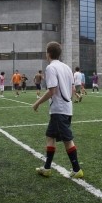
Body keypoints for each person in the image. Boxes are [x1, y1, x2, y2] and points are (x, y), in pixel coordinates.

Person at [32, 41, 83, 179]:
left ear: (48, 53)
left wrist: (37, 103)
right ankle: (47, 168)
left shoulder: (50, 68)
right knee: (50, 136)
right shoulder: (66, 67)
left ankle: (77, 169)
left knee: (67, 139)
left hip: (59, 110)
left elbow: (52, 91)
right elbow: (72, 90)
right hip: (66, 108)